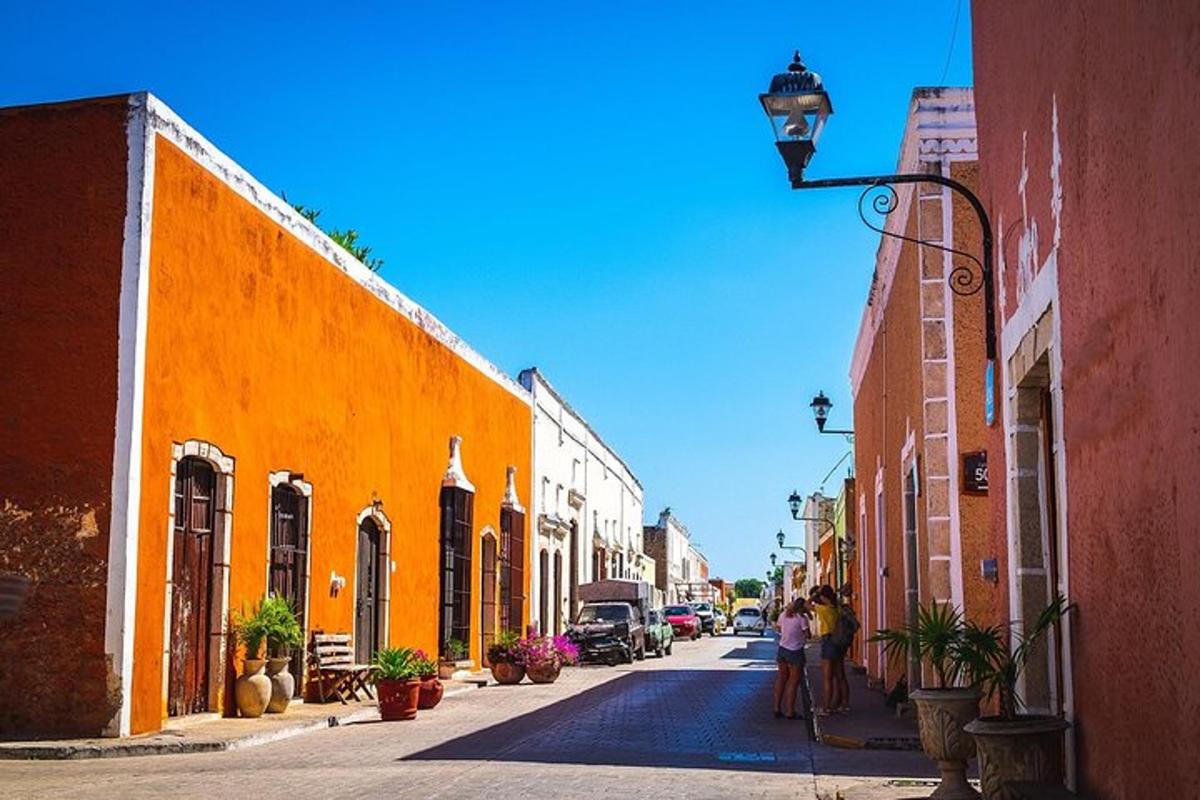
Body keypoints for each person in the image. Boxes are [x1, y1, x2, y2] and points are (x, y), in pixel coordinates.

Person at [772, 596, 810, 720]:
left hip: (782, 649)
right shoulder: (802, 619)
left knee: (781, 679)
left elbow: (778, 628)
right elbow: (807, 634)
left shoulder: (783, 615)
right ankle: (790, 711)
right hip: (795, 651)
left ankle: (777, 708)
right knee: (793, 682)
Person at [812, 584, 848, 715]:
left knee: (827, 678)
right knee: (840, 676)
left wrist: (815, 595)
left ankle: (826, 707)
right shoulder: (837, 608)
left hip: (828, 642)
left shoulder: (823, 609)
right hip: (838, 642)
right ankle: (844, 704)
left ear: (824, 597)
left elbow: (806, 604)